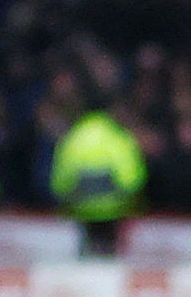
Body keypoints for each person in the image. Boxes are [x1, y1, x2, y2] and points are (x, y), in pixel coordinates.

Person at [52, 107, 146, 257]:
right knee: (111, 261)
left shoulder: (71, 139)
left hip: (81, 211)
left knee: (86, 258)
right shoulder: (118, 137)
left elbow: (60, 184)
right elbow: (132, 180)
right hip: (115, 210)